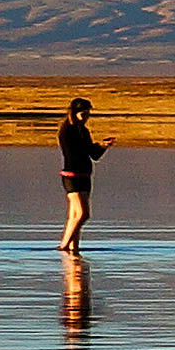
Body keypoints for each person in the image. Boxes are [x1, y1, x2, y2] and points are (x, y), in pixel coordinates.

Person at [56, 96, 104, 251]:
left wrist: (103, 146)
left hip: (85, 176)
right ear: (74, 113)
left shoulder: (83, 130)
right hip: (72, 176)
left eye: (88, 115)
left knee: (74, 216)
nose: (86, 118)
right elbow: (74, 153)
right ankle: (63, 246)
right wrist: (93, 147)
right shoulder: (66, 131)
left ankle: (73, 249)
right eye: (83, 115)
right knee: (83, 214)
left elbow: (93, 155)